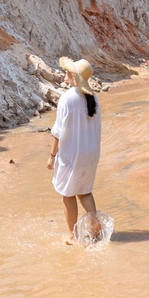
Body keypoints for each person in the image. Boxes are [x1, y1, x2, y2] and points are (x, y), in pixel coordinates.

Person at [47, 56, 102, 244]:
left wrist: (52, 156)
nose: (65, 73)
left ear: (74, 77)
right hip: (90, 153)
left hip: (72, 153)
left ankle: (72, 235)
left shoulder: (67, 99)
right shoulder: (92, 97)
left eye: (68, 71)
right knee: (84, 190)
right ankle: (95, 226)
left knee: (68, 193)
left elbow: (58, 131)